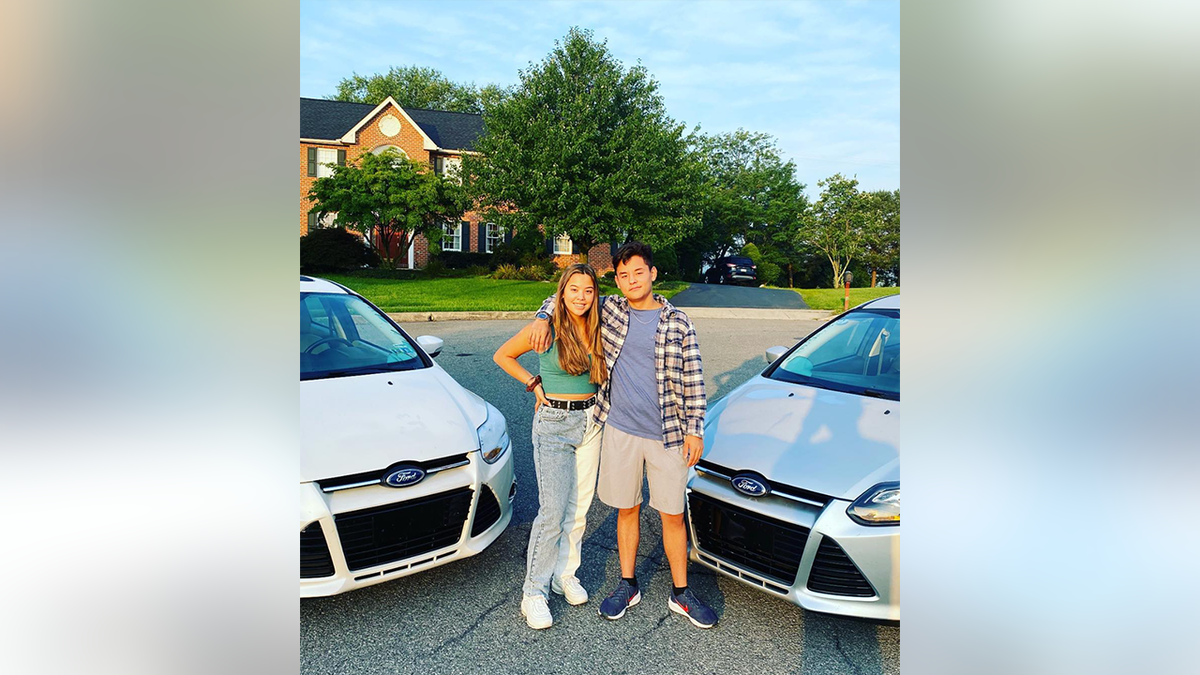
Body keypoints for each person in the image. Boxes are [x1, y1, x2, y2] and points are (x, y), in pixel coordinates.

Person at [529, 242, 718, 629]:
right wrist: (543, 316)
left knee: (672, 515)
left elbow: (694, 381)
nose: (631, 280)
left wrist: (695, 430)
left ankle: (681, 593)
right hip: (618, 428)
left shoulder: (678, 321)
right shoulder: (611, 310)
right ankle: (627, 583)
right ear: (617, 280)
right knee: (625, 509)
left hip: (668, 434)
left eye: (638, 272)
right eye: (623, 275)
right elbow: (569, 294)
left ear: (652, 274)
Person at [493, 263, 606, 630]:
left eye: (588, 290)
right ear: (563, 290)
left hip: (591, 422)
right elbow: (503, 355)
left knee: (579, 507)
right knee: (553, 510)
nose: (581, 297)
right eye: (574, 289)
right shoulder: (547, 326)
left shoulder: (599, 323)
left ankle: (564, 574)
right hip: (554, 423)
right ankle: (534, 592)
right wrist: (533, 383)